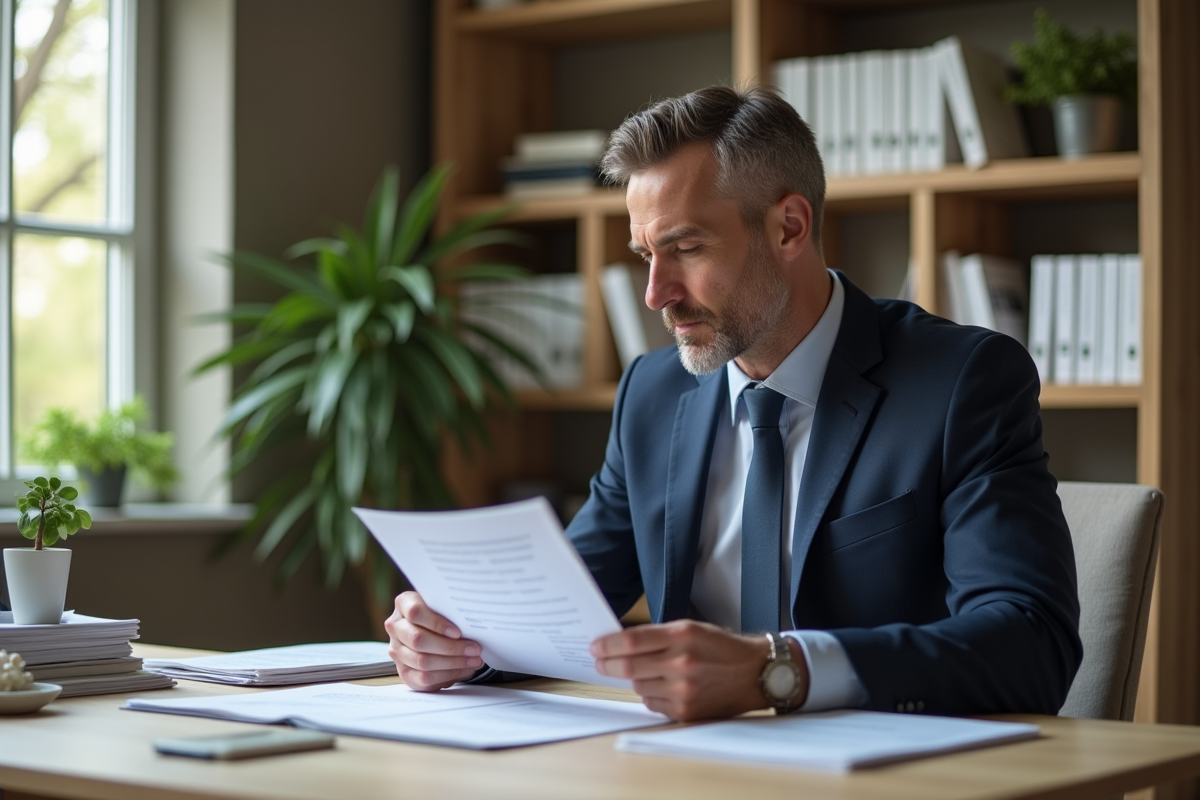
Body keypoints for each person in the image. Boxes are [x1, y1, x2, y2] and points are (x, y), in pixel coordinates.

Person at [386, 85, 1082, 722]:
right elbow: (556, 610)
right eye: (644, 255)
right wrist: (456, 642)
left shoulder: (962, 381)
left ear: (789, 227)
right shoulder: (651, 396)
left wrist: (778, 671)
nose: (656, 293)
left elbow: (1031, 640)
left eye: (685, 247)